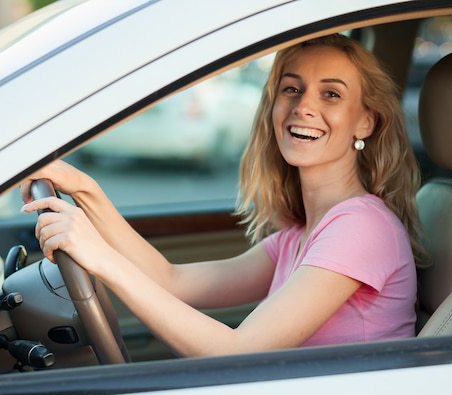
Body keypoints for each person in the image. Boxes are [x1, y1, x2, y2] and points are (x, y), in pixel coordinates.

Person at [21, 33, 426, 357]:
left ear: (366, 122)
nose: (304, 106)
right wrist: (88, 191)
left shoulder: (362, 226)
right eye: (291, 89)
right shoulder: (300, 237)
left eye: (331, 94)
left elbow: (236, 349)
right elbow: (173, 281)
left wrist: (101, 258)